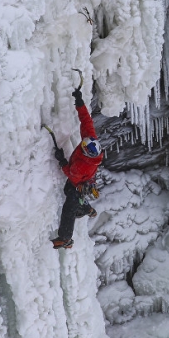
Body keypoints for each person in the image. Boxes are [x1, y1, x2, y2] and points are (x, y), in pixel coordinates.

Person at [51, 86, 102, 249]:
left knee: (69, 205)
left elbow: (70, 174)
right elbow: (86, 121)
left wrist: (62, 161)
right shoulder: (91, 140)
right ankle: (86, 208)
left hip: (79, 181)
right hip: (85, 179)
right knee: (69, 192)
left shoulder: (82, 165)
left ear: (87, 152)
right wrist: (79, 102)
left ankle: (65, 238)